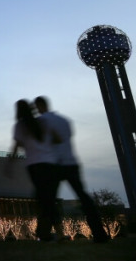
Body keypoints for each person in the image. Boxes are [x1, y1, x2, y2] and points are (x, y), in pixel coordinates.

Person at [34, 95, 109, 242]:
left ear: (39, 106)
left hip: (53, 165)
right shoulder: (65, 121)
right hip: (71, 163)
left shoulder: (41, 121)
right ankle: (99, 233)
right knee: (84, 198)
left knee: (47, 200)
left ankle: (43, 234)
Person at [6, 99, 60, 241]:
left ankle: (46, 231)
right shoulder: (41, 122)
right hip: (50, 164)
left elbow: (16, 146)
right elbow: (57, 138)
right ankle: (50, 231)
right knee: (47, 198)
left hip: (35, 165)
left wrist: (10, 163)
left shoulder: (20, 125)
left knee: (43, 198)